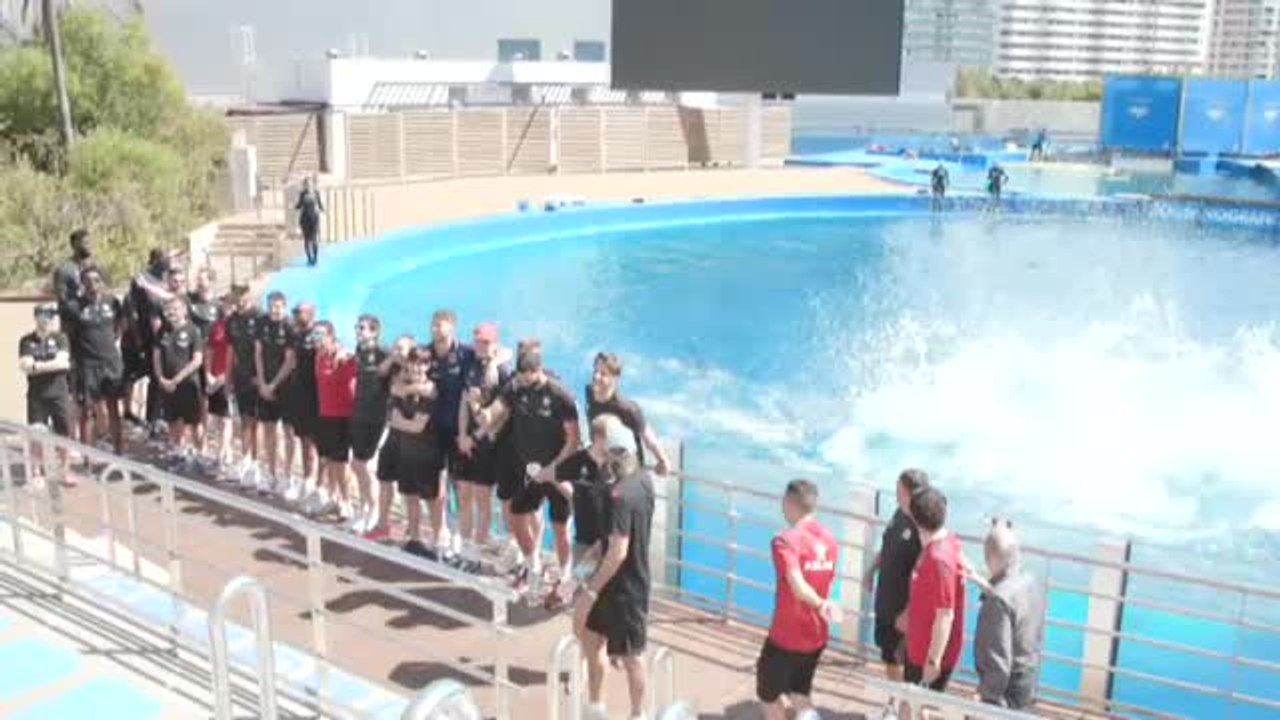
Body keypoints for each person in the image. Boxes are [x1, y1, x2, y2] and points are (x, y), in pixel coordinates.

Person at [481, 341, 580, 594]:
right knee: (516, 515)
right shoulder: (515, 387)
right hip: (532, 470)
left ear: (540, 370)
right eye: (521, 377)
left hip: (557, 470)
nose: (525, 382)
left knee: (560, 527)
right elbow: (495, 410)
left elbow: (573, 439)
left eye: (529, 377)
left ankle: (565, 572)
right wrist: (483, 412)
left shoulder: (560, 395)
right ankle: (532, 563)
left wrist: (556, 468)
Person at [574, 437, 655, 720]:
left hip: (623, 587)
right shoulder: (644, 481)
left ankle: (634, 714)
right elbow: (611, 543)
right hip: (632, 582)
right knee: (597, 641)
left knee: (631, 655)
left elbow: (618, 550)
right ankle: (598, 709)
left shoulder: (618, 495)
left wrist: (592, 589)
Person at [757, 479, 841, 720]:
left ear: (789, 503)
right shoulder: (831, 540)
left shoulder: (784, 541)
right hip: (816, 634)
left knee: (768, 697)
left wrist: (819, 604)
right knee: (801, 695)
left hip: (786, 636)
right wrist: (823, 606)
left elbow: (798, 586)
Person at [543, 414, 622, 608]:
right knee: (586, 600)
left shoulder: (618, 464)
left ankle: (566, 592)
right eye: (613, 436)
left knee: (605, 598)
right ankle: (570, 600)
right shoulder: (579, 460)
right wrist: (574, 497)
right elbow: (553, 475)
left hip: (611, 542)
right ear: (598, 438)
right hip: (585, 539)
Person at [454, 322, 513, 565]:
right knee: (464, 494)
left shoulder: (503, 371)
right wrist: (461, 435)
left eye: (486, 342)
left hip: (487, 442)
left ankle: (478, 548)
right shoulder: (470, 363)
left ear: (494, 344)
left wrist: (476, 436)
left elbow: (503, 414)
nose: (480, 345)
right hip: (467, 440)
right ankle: (466, 545)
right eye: (478, 340)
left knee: (482, 498)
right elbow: (463, 403)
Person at [864, 469, 929, 681]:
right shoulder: (899, 513)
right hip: (885, 604)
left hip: (903, 612)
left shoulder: (923, 529)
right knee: (890, 657)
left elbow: (925, 577)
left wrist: (908, 612)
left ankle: (906, 709)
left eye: (899, 490)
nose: (896, 494)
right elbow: (887, 546)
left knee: (907, 664)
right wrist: (871, 570)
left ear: (913, 494)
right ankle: (894, 704)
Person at [972, 520, 1044, 709]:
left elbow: (999, 662)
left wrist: (984, 696)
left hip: (1006, 692)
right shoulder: (1030, 581)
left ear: (988, 557)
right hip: (1027, 679)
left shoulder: (997, 601)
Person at [421, 308, 476, 553]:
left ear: (452, 327)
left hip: (457, 431)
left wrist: (496, 361)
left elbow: (497, 353)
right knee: (435, 485)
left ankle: (460, 535)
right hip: (431, 431)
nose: (435, 329)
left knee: (461, 486)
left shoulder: (466, 354)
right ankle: (440, 531)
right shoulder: (424, 354)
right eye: (433, 324)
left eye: (439, 325)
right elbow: (401, 360)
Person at [904, 486, 964, 691]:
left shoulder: (938, 559)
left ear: (915, 518)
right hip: (919, 647)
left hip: (926, 654)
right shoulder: (947, 542)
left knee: (913, 706)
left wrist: (933, 660)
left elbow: (945, 615)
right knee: (915, 706)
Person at [390, 350, 448, 558]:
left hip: (428, 455)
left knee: (432, 500)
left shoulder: (430, 391)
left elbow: (418, 426)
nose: (416, 367)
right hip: (406, 453)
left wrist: (403, 423)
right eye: (413, 363)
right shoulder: (403, 388)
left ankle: (438, 541)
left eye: (421, 364)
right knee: (410, 497)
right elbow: (394, 419)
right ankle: (414, 539)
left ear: (428, 366)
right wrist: (405, 423)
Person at [67, 266, 125, 455]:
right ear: (82, 284)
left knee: (113, 408)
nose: (93, 284)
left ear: (102, 281)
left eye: (96, 280)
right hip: (88, 365)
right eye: (88, 281)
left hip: (111, 362)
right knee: (87, 411)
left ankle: (119, 452)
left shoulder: (113, 302)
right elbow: (70, 336)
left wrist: (110, 343)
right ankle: (88, 456)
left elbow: (120, 327)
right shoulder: (75, 306)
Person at [364, 334, 417, 541]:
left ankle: (413, 532)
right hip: (393, 431)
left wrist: (403, 360)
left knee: (410, 488)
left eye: (402, 348)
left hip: (411, 434)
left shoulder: (416, 369)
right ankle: (382, 524)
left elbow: (408, 386)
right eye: (396, 347)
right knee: (384, 477)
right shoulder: (393, 367)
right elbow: (380, 371)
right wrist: (394, 358)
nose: (397, 351)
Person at [586, 352, 671, 475]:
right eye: (595, 371)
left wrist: (662, 460)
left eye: (603, 374)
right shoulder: (590, 392)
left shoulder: (626, 408)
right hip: (603, 462)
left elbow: (647, 436)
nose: (596, 377)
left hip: (626, 469)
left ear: (614, 378)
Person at [19, 303, 73, 483]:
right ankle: (37, 472)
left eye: (50, 316)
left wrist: (37, 366)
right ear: (36, 316)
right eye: (44, 315)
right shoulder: (26, 341)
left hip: (58, 393)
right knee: (36, 435)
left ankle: (64, 471)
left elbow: (64, 363)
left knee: (63, 433)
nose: (47, 319)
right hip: (36, 395)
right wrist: (48, 365)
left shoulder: (60, 338)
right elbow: (25, 366)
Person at [349, 315, 392, 533]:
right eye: (358, 327)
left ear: (375, 332)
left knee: (366, 466)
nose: (359, 331)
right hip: (359, 414)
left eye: (363, 328)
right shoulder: (359, 350)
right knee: (356, 464)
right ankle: (365, 504)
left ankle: (374, 508)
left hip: (377, 418)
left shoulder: (384, 354)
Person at [311, 321, 356, 519]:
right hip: (324, 414)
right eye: (315, 336)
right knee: (328, 459)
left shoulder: (345, 358)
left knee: (341, 462)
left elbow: (360, 362)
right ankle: (334, 497)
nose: (317, 340)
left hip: (342, 416)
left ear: (331, 336)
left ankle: (347, 502)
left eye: (321, 336)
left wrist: (346, 352)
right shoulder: (319, 357)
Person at [153, 296, 205, 467]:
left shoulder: (193, 330)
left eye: (176, 309)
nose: (172, 312)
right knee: (172, 419)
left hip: (187, 385)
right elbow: (157, 355)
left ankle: (199, 455)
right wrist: (160, 377)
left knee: (194, 422)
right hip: (167, 385)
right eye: (169, 309)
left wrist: (176, 379)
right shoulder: (163, 330)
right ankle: (178, 452)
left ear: (184, 310)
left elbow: (197, 360)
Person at [254, 291, 297, 495]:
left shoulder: (289, 326)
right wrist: (263, 383)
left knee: (288, 433)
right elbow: (258, 353)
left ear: (284, 306)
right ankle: (270, 473)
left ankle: (287, 476)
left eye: (278, 306)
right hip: (266, 385)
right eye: (271, 305)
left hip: (287, 388)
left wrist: (273, 385)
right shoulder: (261, 323)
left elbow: (290, 361)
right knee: (269, 431)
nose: (274, 309)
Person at [224, 285, 262, 488]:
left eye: (243, 295)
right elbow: (231, 351)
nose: (239, 300)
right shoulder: (231, 321)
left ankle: (255, 462)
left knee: (256, 422)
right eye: (235, 296)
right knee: (244, 419)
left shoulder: (259, 317)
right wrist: (227, 379)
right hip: (241, 376)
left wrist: (262, 377)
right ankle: (246, 458)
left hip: (258, 377)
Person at [282, 302, 320, 503]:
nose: (295, 315)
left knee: (318, 444)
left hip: (317, 396)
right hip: (299, 394)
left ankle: (321, 487)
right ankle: (307, 481)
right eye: (294, 312)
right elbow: (290, 362)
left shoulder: (318, 334)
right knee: (304, 440)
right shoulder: (296, 334)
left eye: (299, 312)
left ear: (311, 313)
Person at [187, 268, 219, 466]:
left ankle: (211, 441)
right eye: (197, 280)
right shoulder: (190, 301)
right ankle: (201, 443)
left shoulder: (218, 305)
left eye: (202, 280)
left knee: (216, 406)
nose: (199, 283)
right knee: (199, 401)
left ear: (211, 282)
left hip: (214, 359)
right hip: (194, 357)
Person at [203, 294, 235, 473]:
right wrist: (208, 373)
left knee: (226, 418)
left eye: (230, 304)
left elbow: (237, 355)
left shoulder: (237, 327)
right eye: (225, 304)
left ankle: (224, 453)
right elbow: (209, 350)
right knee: (215, 416)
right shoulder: (216, 326)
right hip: (214, 377)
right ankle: (221, 451)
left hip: (229, 378)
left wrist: (225, 376)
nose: (227, 307)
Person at [296, 177, 325, 267]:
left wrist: (323, 210)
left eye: (309, 183)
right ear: (304, 185)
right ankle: (309, 258)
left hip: (314, 218)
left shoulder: (316, 193)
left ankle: (315, 258)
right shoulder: (302, 194)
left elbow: (320, 204)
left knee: (314, 239)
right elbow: (299, 205)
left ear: (312, 184)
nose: (308, 185)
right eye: (306, 184)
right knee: (307, 239)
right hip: (305, 219)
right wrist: (294, 207)